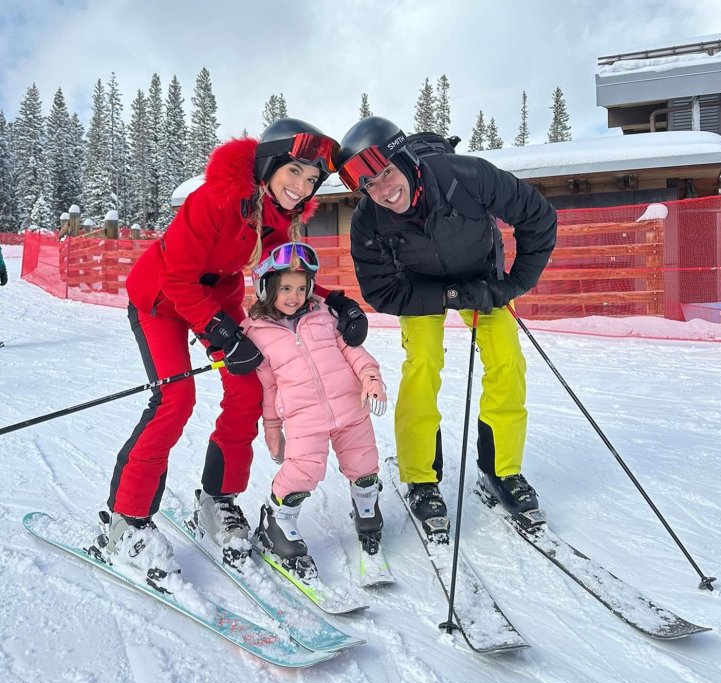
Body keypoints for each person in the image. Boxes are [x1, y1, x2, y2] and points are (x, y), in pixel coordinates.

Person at [94, 119, 369, 587]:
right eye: (296, 172)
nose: (301, 186)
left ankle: (217, 500)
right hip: (160, 300)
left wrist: (335, 299)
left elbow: (289, 273)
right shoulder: (215, 199)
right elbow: (178, 278)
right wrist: (220, 331)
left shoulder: (277, 217)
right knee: (174, 400)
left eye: (311, 180)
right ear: (271, 163)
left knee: (247, 389)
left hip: (213, 299)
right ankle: (125, 521)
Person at [336, 116, 557, 541]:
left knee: (507, 363)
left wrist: (509, 285)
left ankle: (502, 470)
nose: (384, 190)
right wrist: (448, 299)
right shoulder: (370, 219)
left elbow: (539, 218)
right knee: (423, 363)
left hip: (484, 280)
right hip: (421, 291)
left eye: (387, 174)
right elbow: (381, 291)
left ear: (406, 160)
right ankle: (421, 478)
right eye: (371, 186)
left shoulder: (467, 176)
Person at [241, 241, 387, 581]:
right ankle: (278, 520)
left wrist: (370, 377)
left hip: (351, 407)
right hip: (304, 418)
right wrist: (273, 429)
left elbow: (353, 352)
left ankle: (366, 505)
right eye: (285, 288)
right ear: (266, 289)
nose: (295, 296)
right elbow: (269, 387)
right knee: (302, 472)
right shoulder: (258, 335)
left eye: (302, 287)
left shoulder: (323, 316)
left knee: (364, 463)